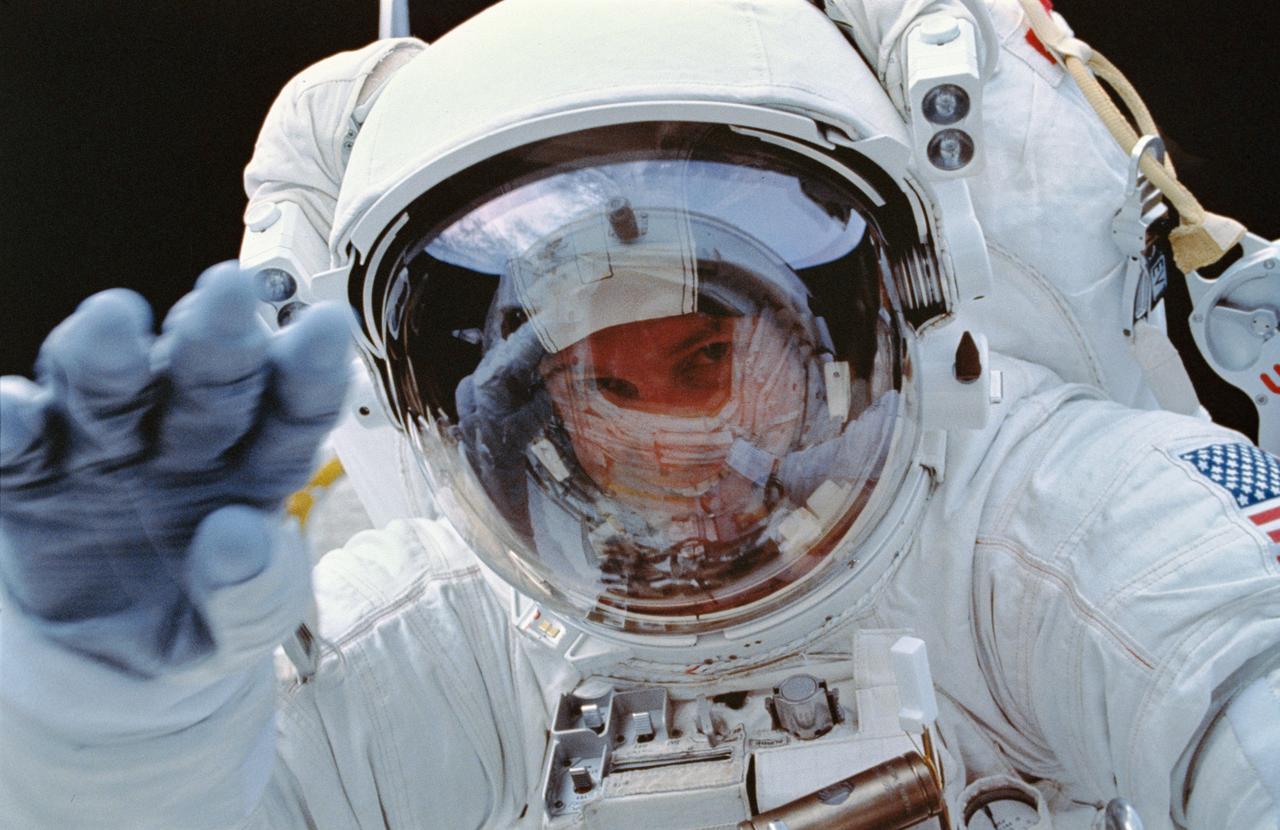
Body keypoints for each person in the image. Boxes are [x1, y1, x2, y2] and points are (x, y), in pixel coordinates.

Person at [1, 1, 1277, 829]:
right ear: (542, 397)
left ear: (825, 328)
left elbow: (1233, 651)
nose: (674, 432)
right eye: (612, 380)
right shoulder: (448, 638)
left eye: (705, 351)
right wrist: (114, 761)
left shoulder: (1045, 525)